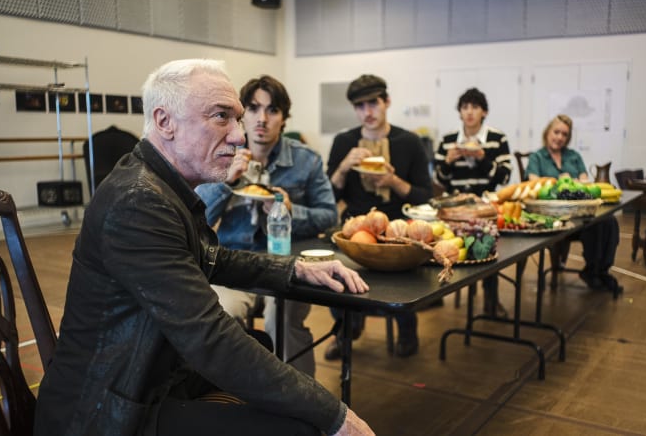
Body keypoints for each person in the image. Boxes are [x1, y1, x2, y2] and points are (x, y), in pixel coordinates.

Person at [34, 59, 374, 436]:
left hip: (144, 377)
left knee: (259, 341)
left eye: (237, 119)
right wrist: (335, 415)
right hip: (107, 412)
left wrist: (295, 268)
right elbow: (209, 339)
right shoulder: (138, 201)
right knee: (303, 428)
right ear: (165, 122)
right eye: (221, 117)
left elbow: (213, 258)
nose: (239, 136)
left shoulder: (159, 186)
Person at [196, 75, 337, 377]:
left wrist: (289, 211)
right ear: (241, 114)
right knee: (219, 316)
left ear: (284, 118)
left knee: (283, 320)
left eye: (272, 110)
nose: (262, 119)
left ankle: (304, 409)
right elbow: (195, 216)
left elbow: (329, 216)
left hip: (287, 267)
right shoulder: (222, 154)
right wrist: (226, 183)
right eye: (253, 108)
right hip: (232, 265)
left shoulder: (305, 160)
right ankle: (232, 399)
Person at [325, 74, 433, 359]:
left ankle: (406, 325)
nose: (367, 112)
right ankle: (346, 327)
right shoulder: (344, 142)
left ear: (387, 102)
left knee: (401, 277)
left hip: (398, 230)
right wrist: (343, 168)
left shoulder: (409, 142)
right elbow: (327, 197)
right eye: (360, 106)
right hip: (354, 228)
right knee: (330, 272)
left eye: (373, 103)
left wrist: (395, 182)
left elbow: (425, 197)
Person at [433, 88, 512, 316]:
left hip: (485, 206)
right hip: (453, 209)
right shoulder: (448, 140)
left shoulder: (497, 138)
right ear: (459, 112)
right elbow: (439, 180)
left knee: (487, 247)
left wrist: (482, 158)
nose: (469, 112)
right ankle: (436, 293)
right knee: (443, 243)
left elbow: (504, 177)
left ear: (484, 111)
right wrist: (447, 162)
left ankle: (491, 298)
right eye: (465, 107)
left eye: (475, 107)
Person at [525, 114, 622, 292]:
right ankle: (593, 272)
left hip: (578, 213)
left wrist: (575, 183)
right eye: (556, 132)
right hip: (552, 218)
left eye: (564, 134)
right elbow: (534, 184)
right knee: (594, 226)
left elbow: (585, 183)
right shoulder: (536, 158)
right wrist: (559, 181)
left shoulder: (574, 156)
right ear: (547, 132)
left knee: (609, 222)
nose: (560, 137)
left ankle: (600, 271)